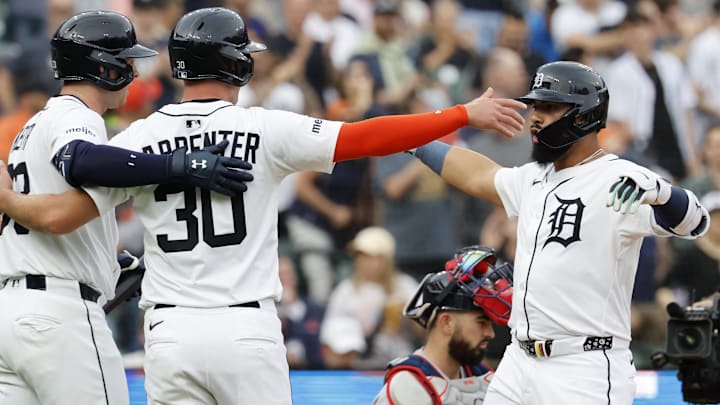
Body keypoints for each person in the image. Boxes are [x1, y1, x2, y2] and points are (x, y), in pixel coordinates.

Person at [0, 7, 526, 405]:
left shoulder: (136, 138)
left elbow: (60, 215)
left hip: (168, 333)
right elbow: (367, 137)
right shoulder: (263, 127)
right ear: (235, 65)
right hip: (244, 327)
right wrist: (460, 112)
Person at [406, 61, 710, 404]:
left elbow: (695, 222)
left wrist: (662, 191)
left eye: (549, 107)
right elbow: (478, 175)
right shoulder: (535, 177)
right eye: (536, 105)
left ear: (583, 115)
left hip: (583, 367)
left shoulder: (619, 178)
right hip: (519, 360)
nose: (535, 116)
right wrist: (414, 138)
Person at [0, 10, 253, 405]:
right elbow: (79, 160)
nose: (133, 71)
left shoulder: (33, 126)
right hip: (59, 314)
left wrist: (111, 263)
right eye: (127, 61)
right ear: (104, 67)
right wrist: (177, 166)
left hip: (13, 311)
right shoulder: (75, 114)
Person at [372, 245, 514, 404]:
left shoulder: (481, 373)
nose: (490, 333)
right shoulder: (408, 383)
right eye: (481, 322)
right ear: (446, 323)